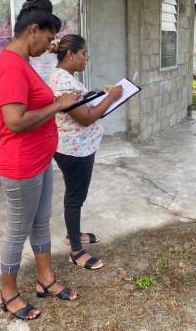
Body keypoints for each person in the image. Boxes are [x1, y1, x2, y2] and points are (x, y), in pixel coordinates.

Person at [0, 0, 80, 320]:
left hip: (39, 161)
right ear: (33, 30)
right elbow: (15, 121)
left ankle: (45, 279)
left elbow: (31, 104)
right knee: (17, 230)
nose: (50, 45)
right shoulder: (10, 66)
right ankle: (9, 293)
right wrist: (58, 105)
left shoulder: (22, 63)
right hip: (21, 166)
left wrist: (58, 100)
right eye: (49, 38)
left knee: (41, 222)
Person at [48, 34, 122, 270]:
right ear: (70, 54)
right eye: (83, 53)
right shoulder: (64, 82)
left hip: (77, 147)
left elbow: (80, 104)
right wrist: (111, 98)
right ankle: (75, 250)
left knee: (75, 195)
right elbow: (86, 118)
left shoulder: (67, 77)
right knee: (75, 197)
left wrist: (99, 95)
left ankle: (73, 233)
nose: (86, 58)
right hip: (74, 150)